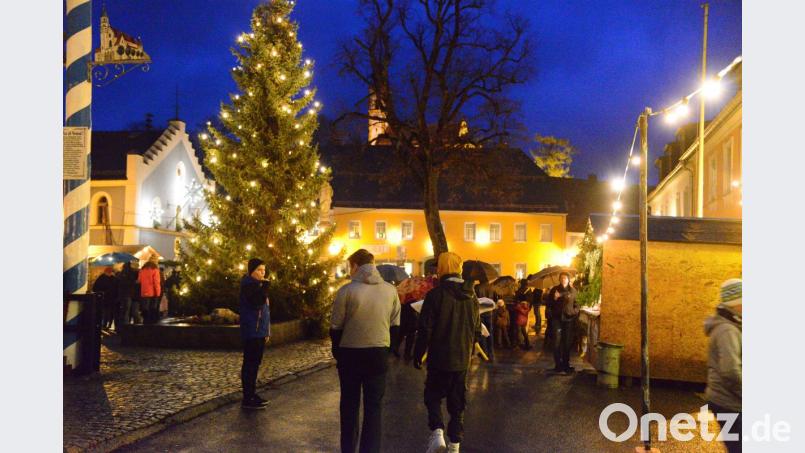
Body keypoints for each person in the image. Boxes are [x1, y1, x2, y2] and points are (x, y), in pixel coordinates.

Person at [331, 249, 401, 453]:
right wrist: (388, 350)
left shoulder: (346, 291)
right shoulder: (390, 290)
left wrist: (338, 353)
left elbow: (336, 326)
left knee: (349, 406)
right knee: (374, 408)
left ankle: (348, 448)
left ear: (355, 266)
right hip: (378, 354)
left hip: (350, 354)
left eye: (350, 267)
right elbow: (395, 325)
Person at [413, 252, 481, 453]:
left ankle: (437, 433)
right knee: (457, 402)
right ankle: (455, 444)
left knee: (433, 395)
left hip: (439, 357)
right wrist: (469, 349)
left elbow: (425, 328)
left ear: (442, 268)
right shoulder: (471, 296)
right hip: (462, 359)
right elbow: (477, 330)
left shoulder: (435, 295)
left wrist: (418, 354)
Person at [704, 278, 742, 453]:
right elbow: (730, 371)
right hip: (729, 401)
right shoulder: (727, 330)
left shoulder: (733, 325)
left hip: (727, 399)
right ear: (736, 303)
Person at [239, 258, 272, 410]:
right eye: (259, 270)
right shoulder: (249, 286)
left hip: (259, 331)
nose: (262, 273)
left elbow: (265, 312)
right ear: (251, 271)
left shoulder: (257, 286)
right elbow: (257, 303)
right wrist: (264, 287)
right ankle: (248, 397)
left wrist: (266, 331)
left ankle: (251, 394)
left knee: (255, 364)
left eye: (264, 270)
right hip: (252, 331)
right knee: (250, 364)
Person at [547, 272, 578, 373]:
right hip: (557, 319)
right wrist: (554, 298)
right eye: (562, 278)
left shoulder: (573, 291)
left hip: (569, 320)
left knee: (567, 342)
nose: (563, 279)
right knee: (556, 342)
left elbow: (577, 305)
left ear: (568, 280)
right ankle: (558, 365)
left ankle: (566, 364)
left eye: (565, 278)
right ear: (559, 279)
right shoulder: (554, 290)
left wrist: (573, 312)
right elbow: (548, 304)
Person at [138, 260, 161, 324]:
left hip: (143, 292)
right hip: (153, 292)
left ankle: (145, 320)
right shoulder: (155, 270)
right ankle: (152, 321)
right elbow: (156, 282)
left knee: (145, 307)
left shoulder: (142, 270)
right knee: (153, 307)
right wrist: (158, 292)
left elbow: (139, 280)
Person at [116, 262, 137, 327]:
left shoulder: (121, 273)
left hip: (124, 294)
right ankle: (129, 325)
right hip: (131, 294)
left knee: (125, 311)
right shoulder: (133, 272)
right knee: (131, 311)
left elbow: (119, 284)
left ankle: (125, 325)